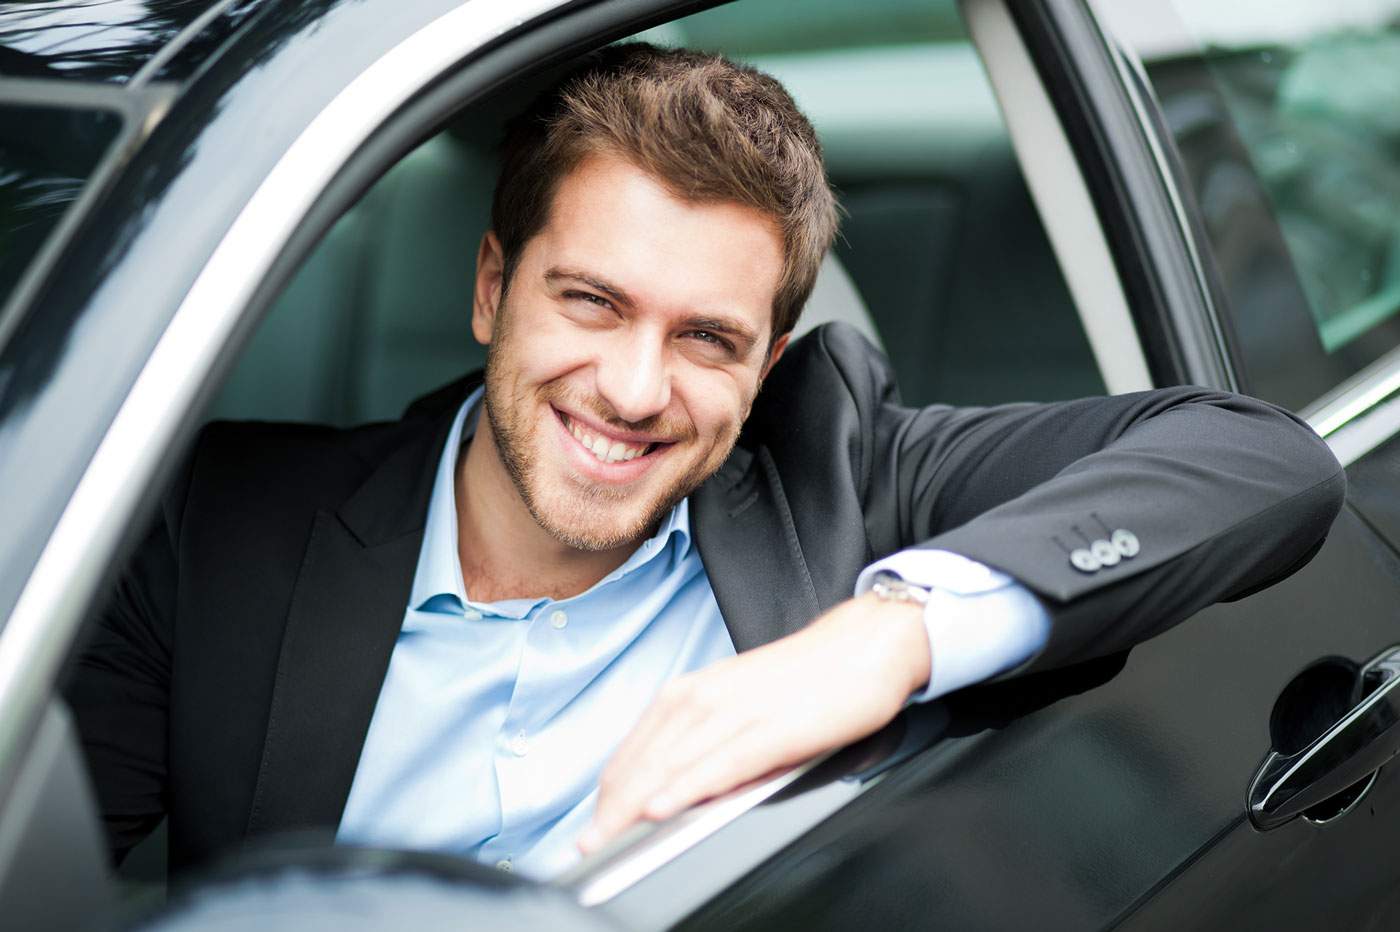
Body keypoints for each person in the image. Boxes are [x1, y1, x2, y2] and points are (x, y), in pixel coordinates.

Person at [66, 43, 1345, 880]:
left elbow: (1257, 457)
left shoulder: (841, 478)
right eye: (590, 302)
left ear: (770, 355)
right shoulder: (216, 527)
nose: (632, 389)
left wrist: (881, 637)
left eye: (705, 338)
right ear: (492, 287)